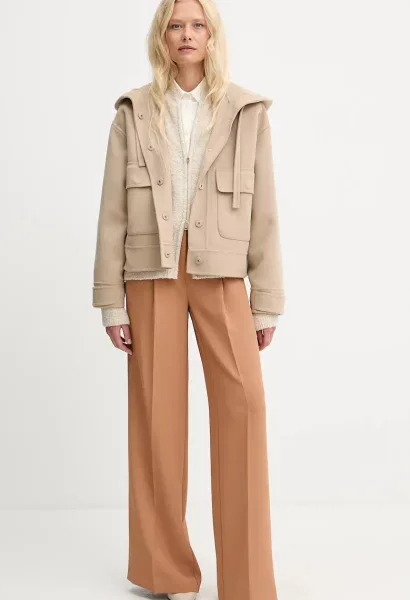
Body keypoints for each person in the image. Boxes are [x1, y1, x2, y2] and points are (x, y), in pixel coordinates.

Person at [92, 1, 285, 599]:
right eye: (175, 24)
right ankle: (165, 572)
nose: (186, 34)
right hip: (150, 273)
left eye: (197, 24)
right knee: (156, 417)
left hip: (221, 272)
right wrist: (111, 299)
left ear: (212, 36)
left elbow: (265, 211)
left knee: (245, 406)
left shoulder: (247, 111)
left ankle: (246, 580)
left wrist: (266, 298)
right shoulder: (133, 111)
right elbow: (112, 211)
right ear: (162, 36)